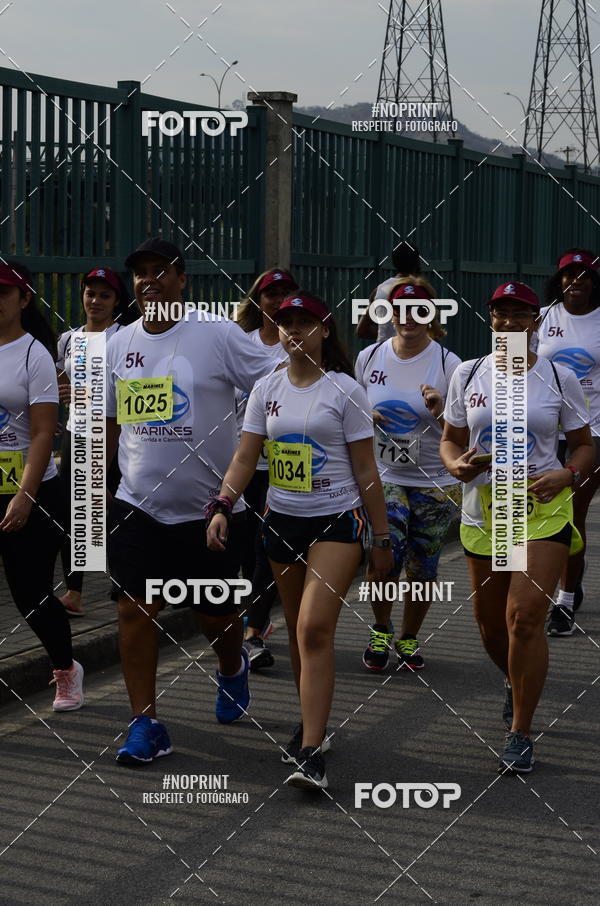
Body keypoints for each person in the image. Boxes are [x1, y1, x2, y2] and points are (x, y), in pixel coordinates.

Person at [105, 238, 286, 766]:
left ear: (183, 279)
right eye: (139, 273)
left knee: (215, 618)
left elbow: (274, 384)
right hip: (136, 505)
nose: (148, 281)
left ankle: (232, 668)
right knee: (134, 611)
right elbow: (111, 424)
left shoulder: (216, 334)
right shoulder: (118, 345)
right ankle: (146, 723)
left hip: (210, 512)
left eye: (159, 271)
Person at [207, 292, 393, 790]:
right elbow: (247, 457)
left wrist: (381, 536)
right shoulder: (266, 388)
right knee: (295, 633)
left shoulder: (345, 390)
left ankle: (311, 753)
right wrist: (224, 503)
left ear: (325, 330)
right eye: (285, 323)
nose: (294, 332)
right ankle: (313, 724)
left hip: (336, 521)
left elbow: (364, 468)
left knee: (312, 629)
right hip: (282, 521)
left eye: (305, 323)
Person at [441, 281, 593, 773]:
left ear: (535, 322)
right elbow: (450, 440)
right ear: (490, 319)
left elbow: (587, 447)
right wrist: (455, 466)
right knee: (490, 627)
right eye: (499, 313)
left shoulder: (558, 376)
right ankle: (514, 676)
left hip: (541, 505)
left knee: (525, 618)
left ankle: (520, 732)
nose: (508, 321)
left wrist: (566, 474)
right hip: (488, 507)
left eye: (519, 313)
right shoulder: (469, 374)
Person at [356, 278, 462, 672]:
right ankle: (381, 629)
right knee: (384, 555)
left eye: (419, 309)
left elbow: (464, 430)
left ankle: (409, 637)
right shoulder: (369, 358)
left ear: (431, 314)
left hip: (435, 481)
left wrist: (441, 410)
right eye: (400, 309)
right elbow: (353, 413)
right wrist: (364, 416)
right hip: (386, 475)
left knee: (423, 566)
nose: (409, 317)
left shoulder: (450, 364)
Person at [0, 260, 84, 711]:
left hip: (31, 490)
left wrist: (25, 495)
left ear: (23, 299)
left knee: (30, 596)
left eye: (4, 294)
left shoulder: (34, 354)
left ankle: (66, 669)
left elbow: (42, 432)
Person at [56, 267, 134, 616]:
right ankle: (74, 592)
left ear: (117, 301)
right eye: (90, 293)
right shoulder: (69, 339)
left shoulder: (126, 337)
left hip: (117, 435)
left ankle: (125, 585)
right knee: (75, 513)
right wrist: (64, 392)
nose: (95, 301)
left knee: (113, 510)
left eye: (104, 295)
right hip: (77, 434)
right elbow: (62, 376)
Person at [234, 268, 298, 669]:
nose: (276, 301)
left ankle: (253, 632)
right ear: (257, 299)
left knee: (266, 548)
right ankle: (252, 615)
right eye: (269, 294)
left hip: (283, 465)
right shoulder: (238, 342)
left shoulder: (298, 341)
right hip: (240, 461)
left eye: (284, 294)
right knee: (245, 548)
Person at [535, 249, 600, 635]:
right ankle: (548, 578)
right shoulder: (541, 317)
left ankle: (565, 598)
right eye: (569, 276)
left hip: (590, 431)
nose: (577, 283)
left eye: (585, 276)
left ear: (595, 282)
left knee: (572, 512)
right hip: (544, 429)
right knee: (538, 508)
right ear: (559, 280)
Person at [356, 241, 422, 343]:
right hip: (412, 355)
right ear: (417, 262)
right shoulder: (422, 292)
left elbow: (361, 330)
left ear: (394, 263)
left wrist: (384, 336)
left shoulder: (379, 290)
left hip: (382, 353)